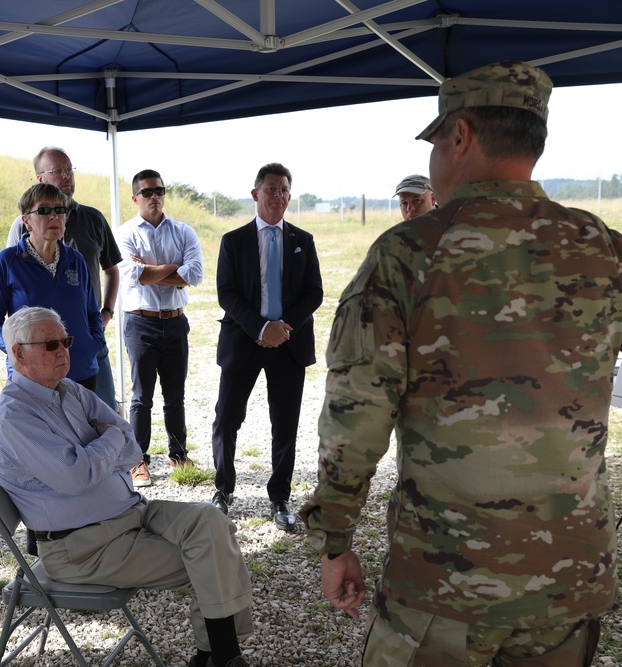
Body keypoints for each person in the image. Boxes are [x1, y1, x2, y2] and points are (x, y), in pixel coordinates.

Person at [300, 61, 620, 666]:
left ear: (461, 136)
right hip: (568, 581)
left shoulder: (409, 252)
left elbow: (356, 415)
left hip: (446, 587)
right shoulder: (602, 246)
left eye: (436, 141)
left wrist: (335, 539)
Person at [0, 307, 255, 667]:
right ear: (18, 353)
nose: (63, 351)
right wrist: (108, 439)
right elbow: (79, 475)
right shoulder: (13, 416)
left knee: (212, 522)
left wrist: (101, 447)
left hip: (130, 514)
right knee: (213, 557)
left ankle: (213, 655)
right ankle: (221, 656)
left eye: (65, 341)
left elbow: (132, 450)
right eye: (50, 344)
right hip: (82, 548)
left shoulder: (70, 391)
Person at [210, 163, 323, 531]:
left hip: (287, 343)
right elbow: (227, 293)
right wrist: (260, 327)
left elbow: (314, 292)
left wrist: (281, 328)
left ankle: (280, 498)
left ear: (290, 197)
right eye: (271, 189)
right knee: (227, 419)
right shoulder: (234, 240)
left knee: (285, 424)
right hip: (244, 340)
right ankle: (223, 490)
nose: (278, 196)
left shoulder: (302, 241)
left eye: (284, 190)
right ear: (255, 193)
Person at [6, 146, 123, 408]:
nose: (67, 176)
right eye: (58, 171)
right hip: (41, 347)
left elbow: (112, 269)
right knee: (50, 423)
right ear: (40, 178)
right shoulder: (21, 226)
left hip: (88, 341)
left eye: (69, 169)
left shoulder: (93, 218)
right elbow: (12, 279)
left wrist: (105, 315)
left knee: (102, 415)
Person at [116, 169, 204, 487]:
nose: (154, 197)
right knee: (141, 397)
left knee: (175, 395)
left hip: (175, 322)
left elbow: (194, 274)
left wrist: (150, 269)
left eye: (159, 191)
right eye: (147, 192)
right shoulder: (124, 233)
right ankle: (138, 460)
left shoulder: (183, 232)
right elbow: (129, 274)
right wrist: (173, 268)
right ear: (135, 198)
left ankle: (179, 454)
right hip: (140, 322)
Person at [0, 182, 104, 391]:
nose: (53, 216)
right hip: (33, 374)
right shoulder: (8, 261)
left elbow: (92, 313)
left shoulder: (76, 259)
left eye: (60, 210)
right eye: (44, 210)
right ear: (26, 221)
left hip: (81, 370)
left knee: (83, 425)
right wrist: (19, 351)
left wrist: (92, 345)